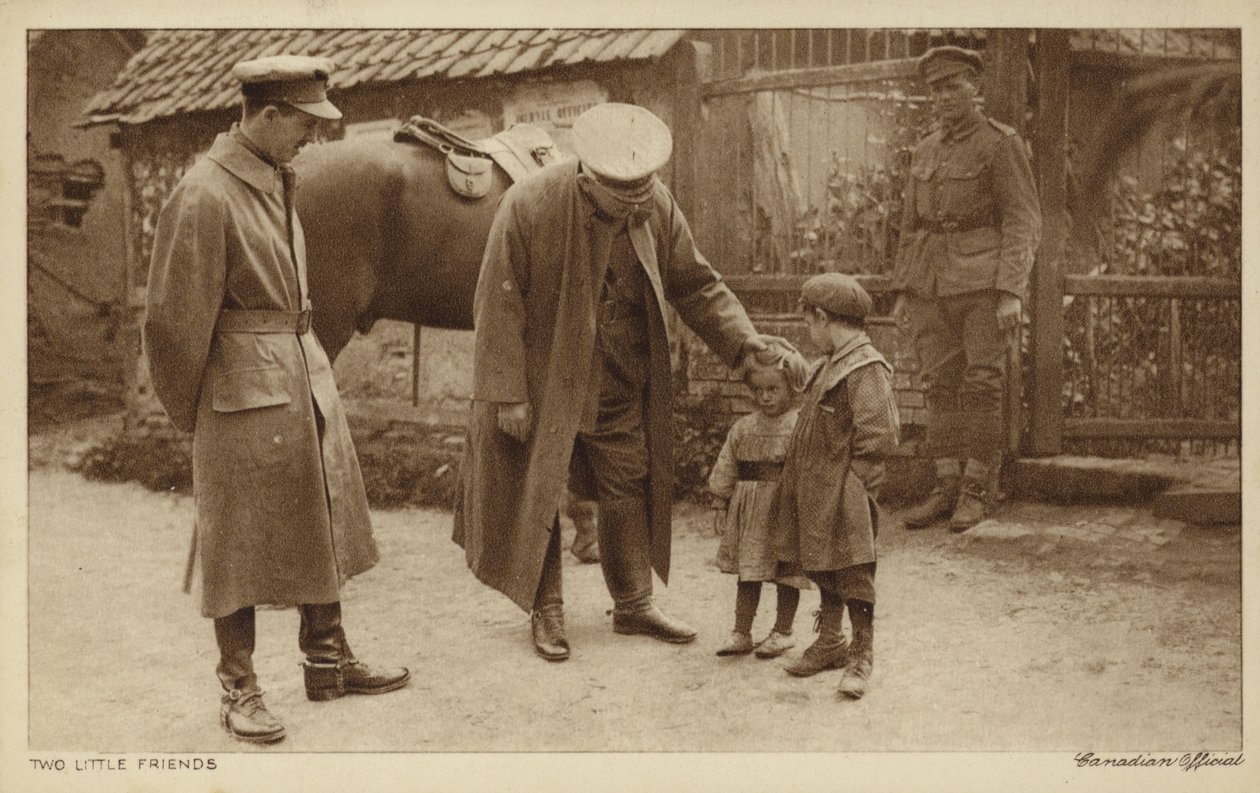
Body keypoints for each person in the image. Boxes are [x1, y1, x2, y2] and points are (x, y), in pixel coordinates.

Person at [453, 102, 792, 662]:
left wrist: (744, 341)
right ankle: (548, 610)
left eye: (645, 189)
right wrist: (507, 393)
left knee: (627, 484)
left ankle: (633, 603)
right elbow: (498, 303)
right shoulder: (529, 203)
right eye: (624, 195)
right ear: (589, 177)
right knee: (539, 489)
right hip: (544, 384)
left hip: (618, 377)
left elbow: (696, 284)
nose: (639, 203)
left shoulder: (652, 201)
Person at [143, 55, 409, 745]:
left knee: (322, 515)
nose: (311, 140)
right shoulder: (205, 192)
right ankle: (239, 687)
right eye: (303, 124)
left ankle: (328, 659)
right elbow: (172, 322)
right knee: (237, 540)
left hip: (301, 370)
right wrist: (197, 410)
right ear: (265, 116)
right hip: (239, 388)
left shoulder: (279, 178)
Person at [891, 46, 1042, 532]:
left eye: (953, 86)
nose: (944, 96)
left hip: (981, 283)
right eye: (936, 88)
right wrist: (903, 289)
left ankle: (979, 488)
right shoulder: (926, 149)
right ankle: (945, 485)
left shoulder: (1000, 144)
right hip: (929, 285)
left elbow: (1023, 219)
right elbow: (909, 225)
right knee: (939, 384)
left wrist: (1011, 291)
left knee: (981, 384)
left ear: (975, 89)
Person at [769, 273, 900, 700]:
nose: (808, 333)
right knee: (821, 562)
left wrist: (855, 484)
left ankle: (861, 652)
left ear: (823, 318)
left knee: (854, 568)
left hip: (845, 488)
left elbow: (878, 433)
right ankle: (830, 642)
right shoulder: (828, 365)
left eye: (809, 323)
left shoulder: (865, 368)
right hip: (817, 487)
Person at [708, 346, 812, 659]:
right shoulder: (743, 428)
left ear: (792, 388)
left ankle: (783, 631)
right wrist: (719, 503)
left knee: (786, 571)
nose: (765, 397)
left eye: (773, 389)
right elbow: (727, 464)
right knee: (749, 571)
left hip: (785, 509)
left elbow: (810, 469)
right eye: (759, 390)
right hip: (751, 511)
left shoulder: (799, 426)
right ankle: (741, 631)